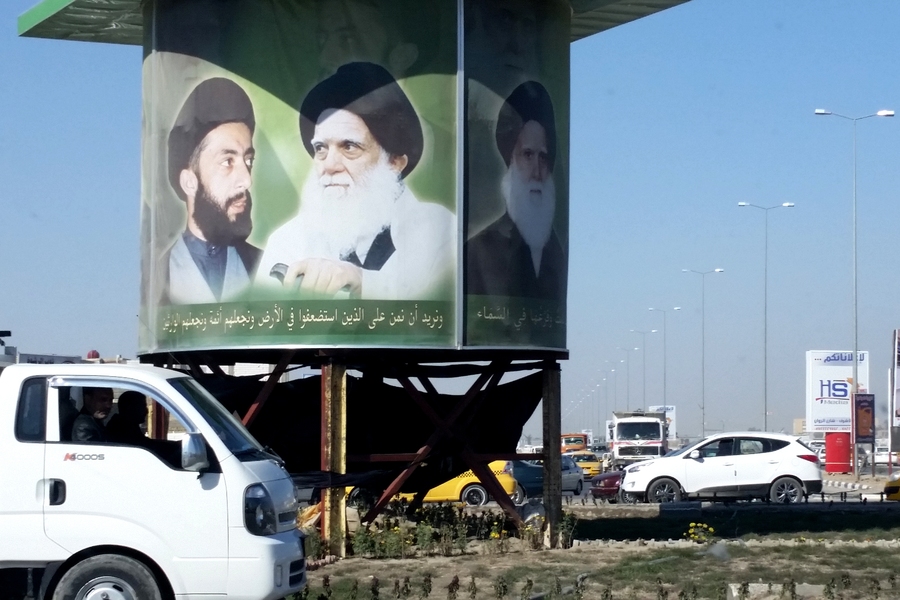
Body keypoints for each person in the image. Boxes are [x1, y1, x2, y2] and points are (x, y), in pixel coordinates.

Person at [257, 62, 455, 300]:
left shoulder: (439, 231)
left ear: (394, 162)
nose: (329, 166)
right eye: (321, 148)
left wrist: (364, 284)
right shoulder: (288, 241)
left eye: (349, 146)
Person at [161, 77, 261, 304]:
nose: (246, 180)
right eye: (227, 162)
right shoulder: (152, 278)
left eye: (249, 161)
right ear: (189, 182)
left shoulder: (267, 267)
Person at [466, 81, 566, 301]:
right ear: (509, 160)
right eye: (528, 155)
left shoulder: (558, 254)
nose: (537, 172)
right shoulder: (480, 251)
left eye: (543, 157)